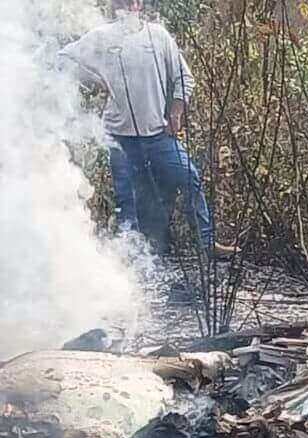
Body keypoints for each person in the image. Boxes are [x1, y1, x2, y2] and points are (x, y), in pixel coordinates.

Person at [59, 0, 236, 259]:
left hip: (157, 134)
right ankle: (131, 261)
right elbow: (65, 58)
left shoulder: (158, 36)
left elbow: (184, 77)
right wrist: (95, 79)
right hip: (120, 137)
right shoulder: (102, 36)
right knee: (127, 201)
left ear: (140, 5)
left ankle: (206, 243)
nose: (130, 5)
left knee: (189, 176)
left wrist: (175, 112)